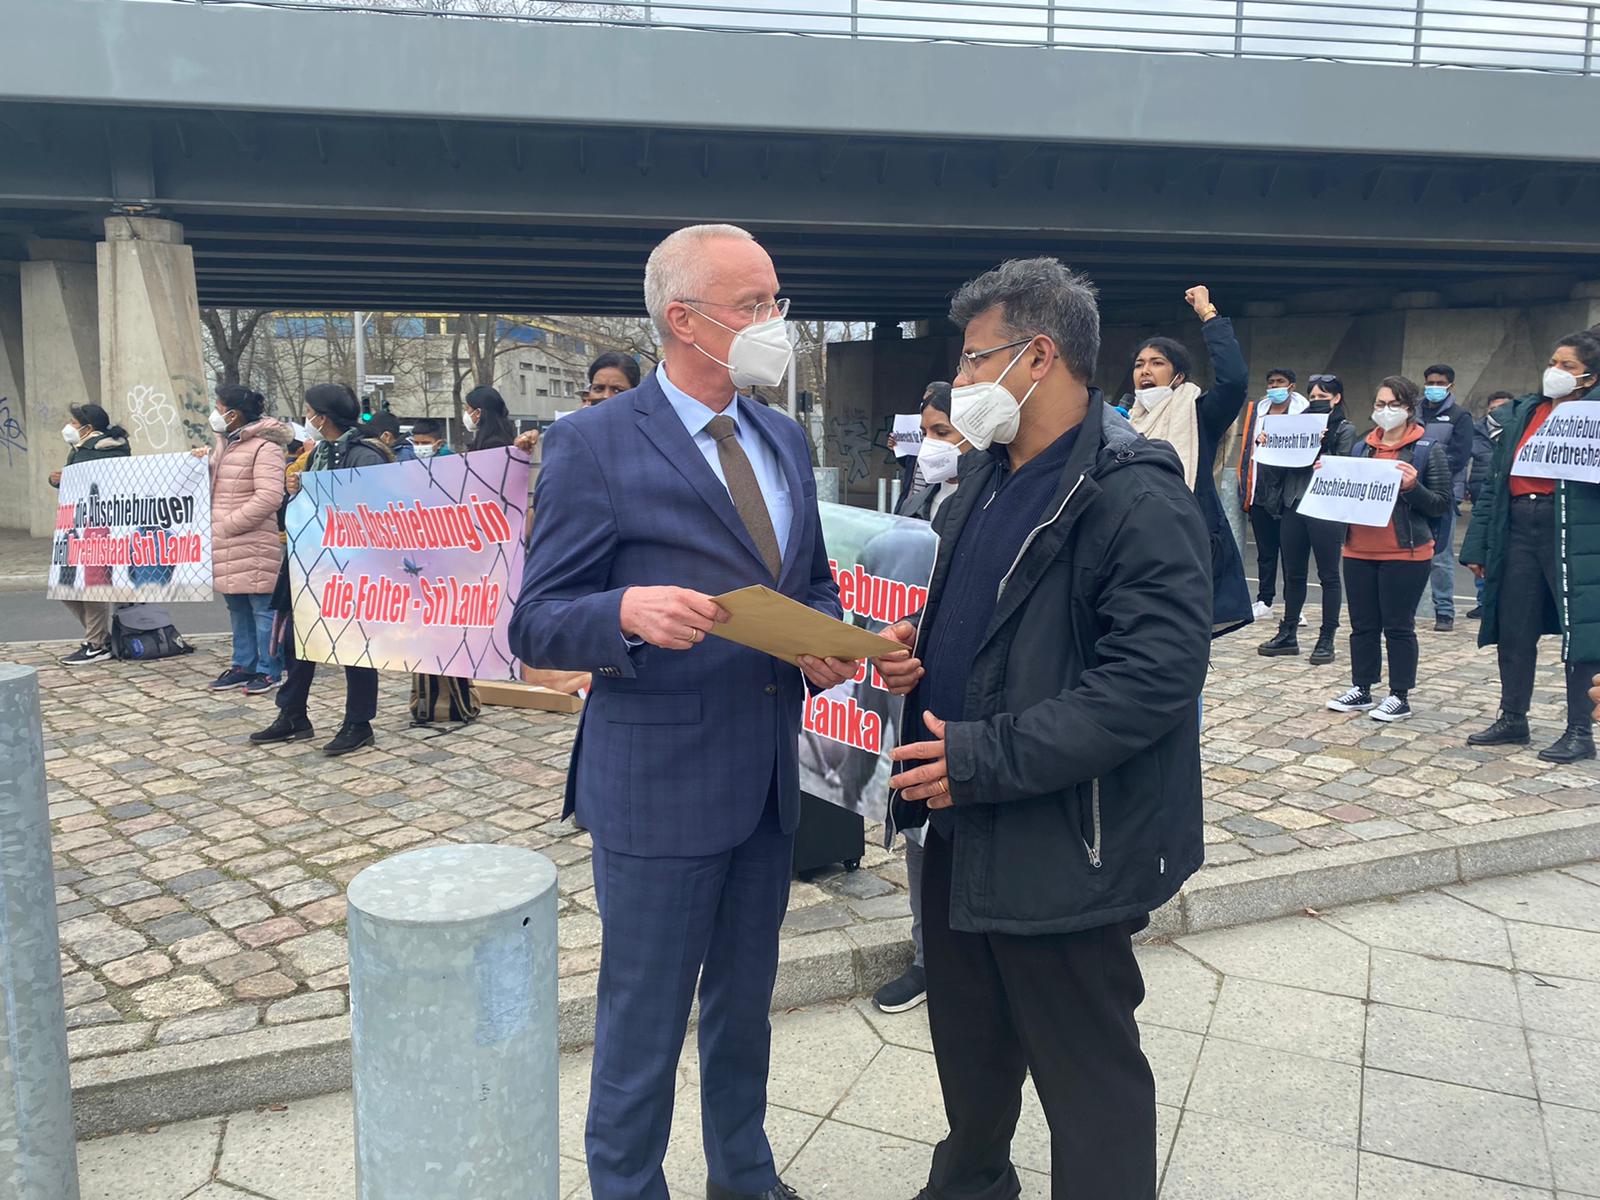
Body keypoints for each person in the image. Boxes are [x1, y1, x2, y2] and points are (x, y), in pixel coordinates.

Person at [509, 224, 898, 1200]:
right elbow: (536, 620)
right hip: (656, 791)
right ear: (683, 321)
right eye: (754, 305)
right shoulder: (592, 442)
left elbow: (808, 583)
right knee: (641, 1025)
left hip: (766, 786)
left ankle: (745, 1176)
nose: (776, 323)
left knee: (743, 1012)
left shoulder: (781, 435)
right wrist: (623, 612)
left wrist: (826, 646)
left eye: (777, 301)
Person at [874, 257, 1211, 1199]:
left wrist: (983, 756)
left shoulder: (1133, 495)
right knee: (971, 1053)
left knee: (1088, 1081)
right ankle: (970, 1183)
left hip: (1065, 841)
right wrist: (918, 646)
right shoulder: (983, 479)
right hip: (958, 824)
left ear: (1038, 356)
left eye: (974, 360)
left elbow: (1151, 681)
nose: (960, 382)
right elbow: (988, 619)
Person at [1462, 330, 1600, 763]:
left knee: (1583, 630)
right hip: (1519, 523)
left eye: (1568, 366)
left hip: (1574, 528)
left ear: (1590, 377)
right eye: (1553, 362)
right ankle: (1512, 716)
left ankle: (1579, 729)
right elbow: (1494, 483)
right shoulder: (1526, 411)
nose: (1555, 371)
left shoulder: (1593, 416)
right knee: (1514, 624)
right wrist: (1478, 546)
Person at [870, 382, 963, 1017]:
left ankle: (967, 958)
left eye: (944, 434)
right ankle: (928, 957)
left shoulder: (995, 495)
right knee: (918, 823)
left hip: (965, 698)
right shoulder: (920, 494)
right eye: (926, 432)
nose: (931, 446)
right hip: (914, 681)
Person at [250, 383, 392, 757]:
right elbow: (301, 510)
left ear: (323, 417)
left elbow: (376, 508)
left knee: (354, 646)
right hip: (311, 563)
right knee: (297, 642)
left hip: (351, 566)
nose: (307, 418)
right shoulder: (318, 454)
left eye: (310, 411)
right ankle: (293, 714)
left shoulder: (365, 455)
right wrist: (296, 490)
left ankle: (358, 723)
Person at [1126, 284, 1254, 636]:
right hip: (1135, 547)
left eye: (1157, 363)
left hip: (1186, 547)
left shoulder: (1198, 414)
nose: (1145, 370)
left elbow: (1234, 382)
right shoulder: (1126, 424)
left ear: (1178, 375)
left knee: (1182, 642)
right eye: (1139, 364)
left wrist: (1208, 315)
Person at [1325, 376, 1452, 723]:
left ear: (1409, 408)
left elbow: (1441, 503)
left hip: (1405, 552)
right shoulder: (1361, 448)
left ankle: (1399, 694)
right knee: (1362, 625)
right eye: (1380, 404)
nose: (1385, 411)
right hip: (1358, 550)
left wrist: (1412, 487)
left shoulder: (1427, 449)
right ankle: (1362, 687)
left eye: (1394, 404)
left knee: (1398, 625)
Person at [1258, 373, 1356, 663]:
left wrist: (1321, 445)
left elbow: (1342, 466)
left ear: (1336, 399)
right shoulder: (1295, 424)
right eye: (1312, 397)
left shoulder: (1344, 428)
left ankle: (1327, 637)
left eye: (1323, 397)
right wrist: (1269, 445)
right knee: (1294, 572)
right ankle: (1288, 632)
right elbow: (1277, 467)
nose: (1316, 401)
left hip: (1325, 506)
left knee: (1328, 575)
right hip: (1294, 503)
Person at [198, 385, 289, 694]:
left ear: (233, 414)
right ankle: (243, 665)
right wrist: (201, 463)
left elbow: (270, 496)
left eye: (219, 408)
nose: (215, 413)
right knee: (237, 607)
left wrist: (229, 524)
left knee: (262, 609)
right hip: (226, 542)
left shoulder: (265, 448)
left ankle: (269, 669)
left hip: (251, 541)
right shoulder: (225, 445)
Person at [51, 403, 131, 666]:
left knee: (92, 583)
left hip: (100, 525)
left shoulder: (105, 450)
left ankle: (96, 644)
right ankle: (100, 638)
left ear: (88, 428)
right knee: (67, 587)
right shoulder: (80, 450)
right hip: (76, 524)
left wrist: (66, 478)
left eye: (74, 423)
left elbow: (97, 483)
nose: (69, 427)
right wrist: (59, 480)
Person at [1238, 367, 1307, 620]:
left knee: (1291, 554)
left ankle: (1294, 607)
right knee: (1266, 553)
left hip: (1289, 495)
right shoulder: (1259, 413)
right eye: (1271, 382)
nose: (1275, 386)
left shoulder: (1304, 414)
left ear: (1292, 386)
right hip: (1261, 491)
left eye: (1280, 382)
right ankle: (1264, 600)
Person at [1419, 364, 1475, 631]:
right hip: (1413, 490)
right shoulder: (1414, 413)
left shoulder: (1459, 416)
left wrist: (1428, 470)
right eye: (1430, 382)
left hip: (1443, 493)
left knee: (1440, 555)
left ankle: (1444, 611)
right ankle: (1414, 609)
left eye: (1440, 383)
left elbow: (1459, 456)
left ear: (1451, 385)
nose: (1434, 387)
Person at [1465, 390, 1516, 619]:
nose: (1497, 413)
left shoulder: (1517, 432)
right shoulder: (1477, 431)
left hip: (1509, 498)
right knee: (1481, 549)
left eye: (1503, 408)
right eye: (1493, 409)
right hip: (1481, 496)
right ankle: (1483, 601)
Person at [463, 385, 517, 451]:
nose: (466, 412)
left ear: (478, 412)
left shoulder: (494, 445)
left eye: (467, 408)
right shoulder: (502, 437)